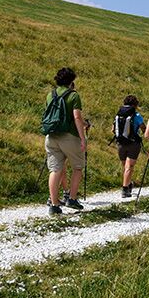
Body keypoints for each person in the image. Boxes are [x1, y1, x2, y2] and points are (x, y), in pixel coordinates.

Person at [44, 67, 87, 213]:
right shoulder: (74, 96)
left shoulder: (51, 94)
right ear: (71, 81)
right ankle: (72, 199)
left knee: (55, 170)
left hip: (51, 136)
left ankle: (54, 205)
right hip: (69, 137)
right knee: (78, 167)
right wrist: (82, 138)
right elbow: (77, 117)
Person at [112, 95, 145, 198]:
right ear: (135, 105)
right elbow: (144, 129)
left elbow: (113, 129)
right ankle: (125, 189)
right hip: (133, 144)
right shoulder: (137, 115)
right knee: (129, 167)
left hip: (120, 143)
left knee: (125, 166)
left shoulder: (118, 115)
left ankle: (128, 184)